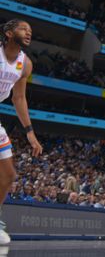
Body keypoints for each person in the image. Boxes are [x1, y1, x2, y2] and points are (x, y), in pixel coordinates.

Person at [0, 19, 43, 243]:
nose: (28, 33)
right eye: (23, 29)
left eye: (30, 30)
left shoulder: (25, 64)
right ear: (8, 33)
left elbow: (18, 98)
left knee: (8, 175)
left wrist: (30, 132)